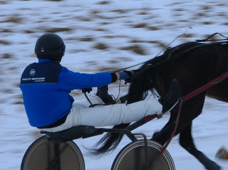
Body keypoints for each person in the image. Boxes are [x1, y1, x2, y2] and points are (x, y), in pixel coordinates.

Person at [20, 33, 176, 133]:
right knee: (120, 112)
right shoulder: (57, 73)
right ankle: (161, 105)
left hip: (41, 121)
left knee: (86, 107)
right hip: (63, 120)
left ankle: (101, 99)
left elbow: (46, 92)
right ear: (60, 52)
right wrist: (119, 75)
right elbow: (90, 80)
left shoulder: (27, 72)